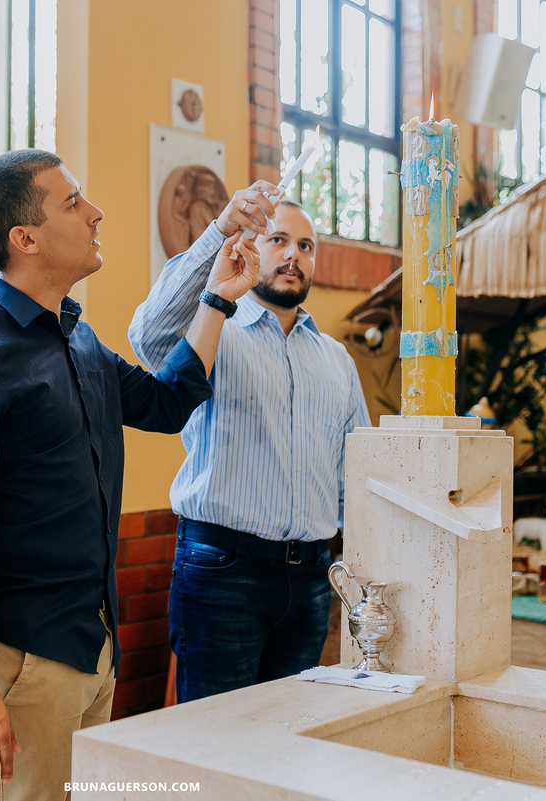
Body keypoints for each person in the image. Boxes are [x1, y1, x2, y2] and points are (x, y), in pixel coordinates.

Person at [0, 149, 259, 801]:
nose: (94, 213)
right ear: (24, 238)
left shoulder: (77, 338)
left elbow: (167, 399)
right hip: (18, 660)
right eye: (72, 202)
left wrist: (218, 299)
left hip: (91, 643)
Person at [129, 186, 371, 704]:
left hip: (309, 578)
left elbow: (354, 475)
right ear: (250, 244)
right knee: (216, 746)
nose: (293, 255)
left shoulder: (337, 360)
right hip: (222, 572)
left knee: (285, 745)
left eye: (306, 246)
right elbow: (148, 334)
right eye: (279, 239)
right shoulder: (213, 329)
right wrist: (216, 234)